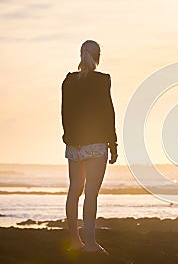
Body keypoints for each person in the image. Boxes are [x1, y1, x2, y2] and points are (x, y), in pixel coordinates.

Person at [61, 40, 118, 254]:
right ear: (98, 56)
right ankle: (91, 244)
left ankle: (75, 241)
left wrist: (68, 139)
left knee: (74, 190)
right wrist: (113, 145)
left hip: (74, 144)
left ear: (81, 54)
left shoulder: (68, 81)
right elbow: (107, 112)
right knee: (91, 193)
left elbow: (64, 112)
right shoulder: (102, 80)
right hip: (95, 143)